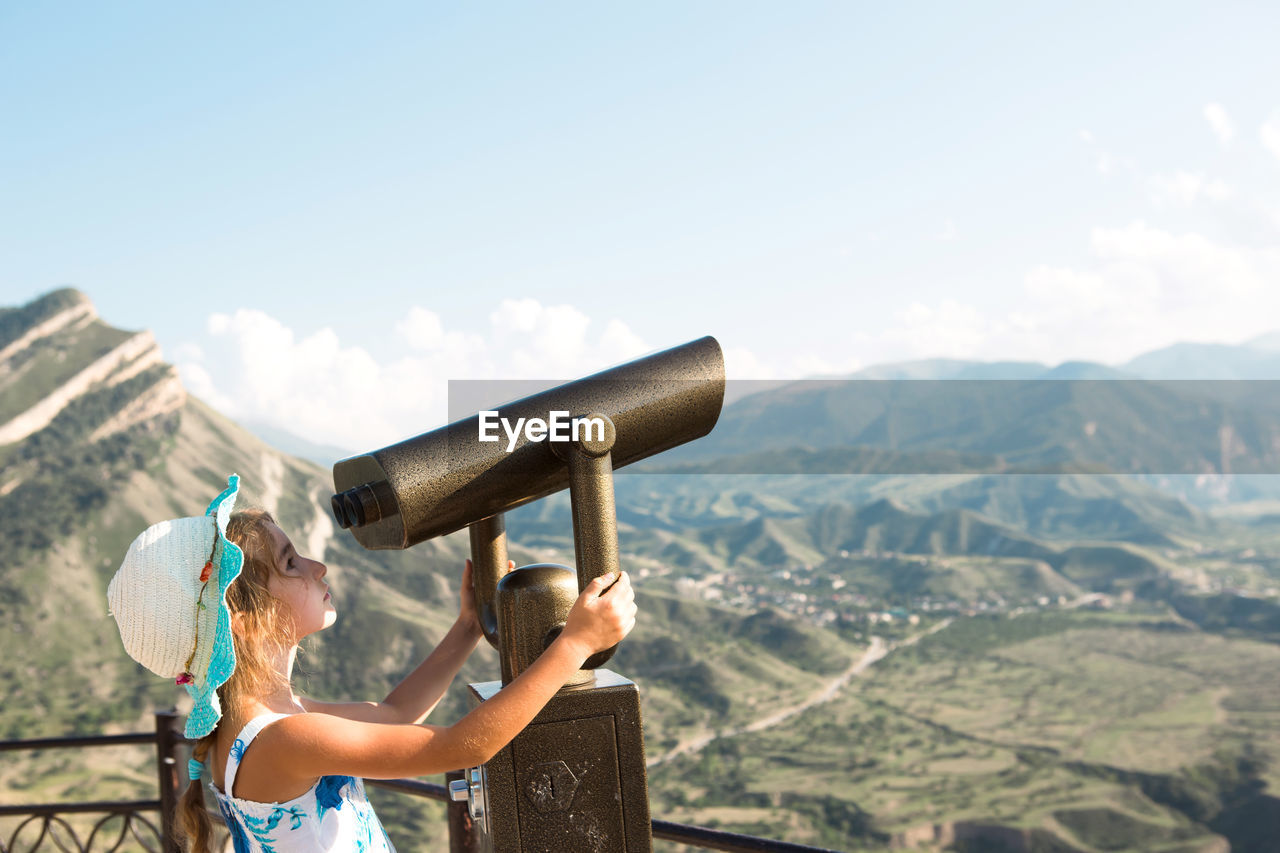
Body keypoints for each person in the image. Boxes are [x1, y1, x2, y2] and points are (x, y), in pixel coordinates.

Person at [107, 474, 636, 853]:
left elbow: (395, 713)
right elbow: (462, 746)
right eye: (291, 562)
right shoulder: (285, 739)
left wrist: (467, 628)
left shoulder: (267, 724)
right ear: (243, 619)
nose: (318, 565)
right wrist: (573, 645)